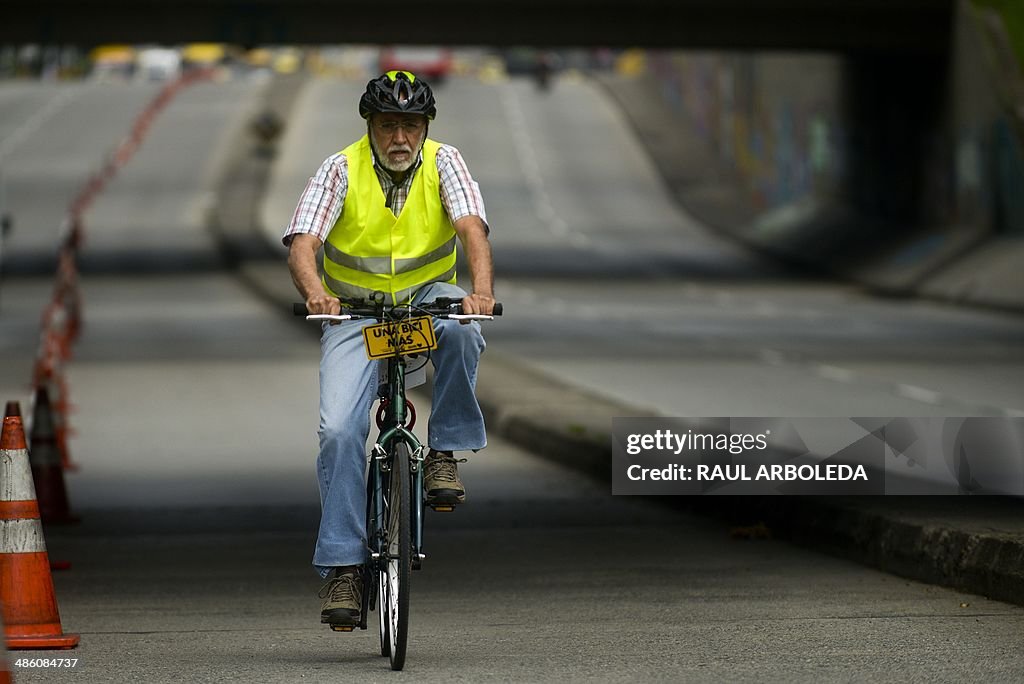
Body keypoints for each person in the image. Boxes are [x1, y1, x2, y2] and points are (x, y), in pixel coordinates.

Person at [282, 70, 495, 629]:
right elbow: (304, 242)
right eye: (387, 126)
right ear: (369, 127)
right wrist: (317, 295)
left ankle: (444, 452)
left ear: (425, 128)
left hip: (427, 302)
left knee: (464, 328)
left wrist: (481, 292)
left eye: (410, 125)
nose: (399, 137)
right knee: (339, 431)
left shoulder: (446, 162)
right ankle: (344, 569)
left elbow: (472, 226)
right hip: (355, 312)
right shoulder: (339, 169)